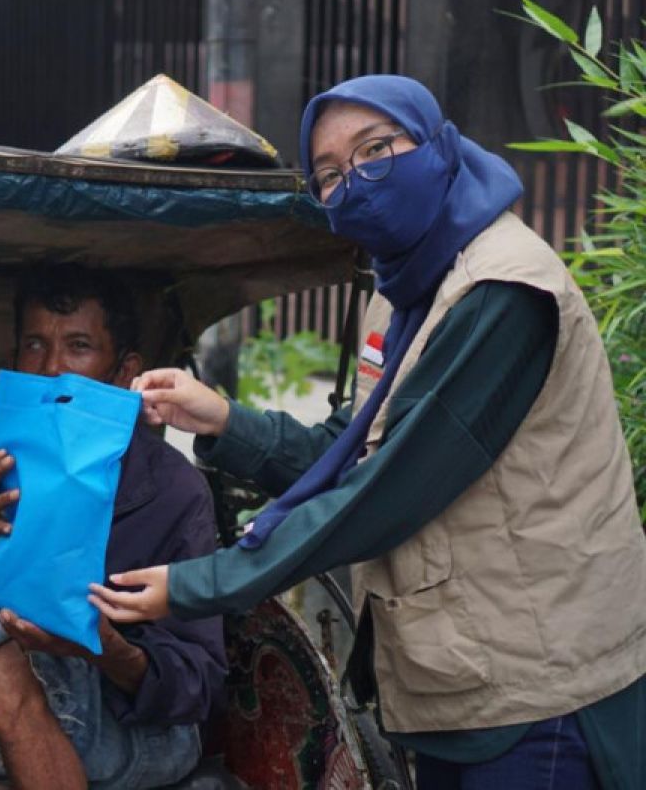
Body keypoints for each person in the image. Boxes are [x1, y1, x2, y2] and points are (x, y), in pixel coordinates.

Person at [89, 75, 646, 789]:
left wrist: (205, 583)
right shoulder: (403, 292)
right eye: (330, 174)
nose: (357, 181)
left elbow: (386, 493)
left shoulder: (503, 292)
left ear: (438, 147)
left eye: (377, 149)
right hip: (456, 684)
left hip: (540, 691)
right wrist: (225, 420)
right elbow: (353, 454)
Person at [0, 265, 226, 789]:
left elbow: (198, 683)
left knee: (0, 657)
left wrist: (104, 647)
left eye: (78, 346)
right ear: (14, 362)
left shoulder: (173, 490)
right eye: (35, 345)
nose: (52, 368)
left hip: (125, 727)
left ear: (124, 373)